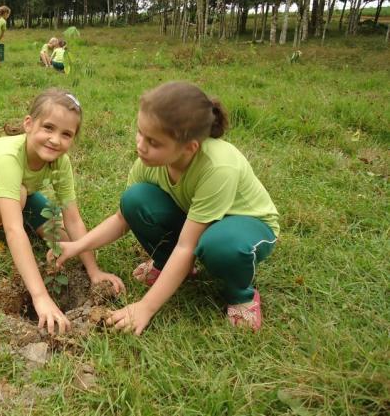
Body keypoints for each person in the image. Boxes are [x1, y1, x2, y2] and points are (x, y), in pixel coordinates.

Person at [52, 81, 279, 334]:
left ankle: (241, 295)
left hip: (245, 227)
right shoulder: (149, 161)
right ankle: (170, 265)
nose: (141, 145)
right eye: (140, 132)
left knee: (219, 245)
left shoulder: (218, 167)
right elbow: (121, 218)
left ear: (189, 147)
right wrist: (77, 246)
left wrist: (145, 307)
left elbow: (187, 245)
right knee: (134, 199)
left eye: (154, 142)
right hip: (197, 221)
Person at [0, 88, 125, 334]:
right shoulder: (8, 157)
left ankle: (27, 217)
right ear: (29, 124)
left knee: (64, 240)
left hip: (22, 193)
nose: (56, 140)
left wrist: (94, 270)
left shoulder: (60, 161)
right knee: (20, 196)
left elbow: (73, 218)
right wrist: (40, 297)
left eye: (66, 134)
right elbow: (15, 231)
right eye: (48, 128)